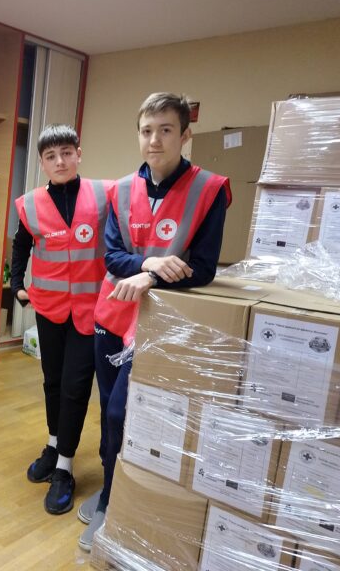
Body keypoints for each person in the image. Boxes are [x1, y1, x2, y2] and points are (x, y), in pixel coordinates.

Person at [77, 93, 231, 551]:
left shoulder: (209, 190)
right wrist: (149, 264)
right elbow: (112, 256)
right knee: (108, 411)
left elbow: (203, 268)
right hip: (112, 315)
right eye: (147, 131)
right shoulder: (122, 190)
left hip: (161, 323)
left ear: (185, 135)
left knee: (126, 413)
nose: (155, 140)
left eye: (166, 130)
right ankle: (110, 490)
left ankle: (123, 503)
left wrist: (150, 277)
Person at [11, 124, 111, 515]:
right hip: (50, 308)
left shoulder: (103, 195)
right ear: (42, 163)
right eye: (51, 156)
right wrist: (17, 285)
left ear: (78, 154)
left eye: (67, 153)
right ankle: (54, 445)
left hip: (91, 310)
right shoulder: (31, 203)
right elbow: (21, 244)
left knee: (74, 387)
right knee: (52, 381)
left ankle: (65, 469)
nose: (60, 161)